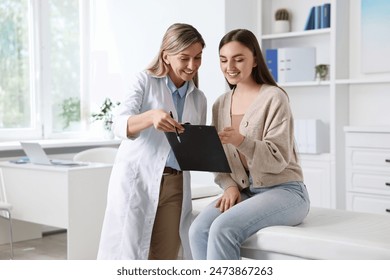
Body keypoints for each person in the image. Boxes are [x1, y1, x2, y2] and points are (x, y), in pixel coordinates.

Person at [189, 29, 310, 260]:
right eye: (223, 60)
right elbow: (219, 158)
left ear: (255, 59)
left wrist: (240, 141)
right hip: (245, 191)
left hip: (286, 191)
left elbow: (277, 159)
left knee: (223, 228)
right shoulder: (220, 104)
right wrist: (229, 186)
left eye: (238, 59)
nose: (230, 66)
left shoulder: (274, 98)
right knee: (198, 230)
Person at [97, 23, 207, 260]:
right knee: (127, 255)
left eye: (197, 57)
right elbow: (118, 124)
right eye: (184, 58)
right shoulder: (144, 81)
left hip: (176, 185)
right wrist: (150, 116)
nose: (192, 65)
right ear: (166, 56)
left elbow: (193, 148)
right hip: (139, 180)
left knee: (164, 257)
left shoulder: (198, 98)